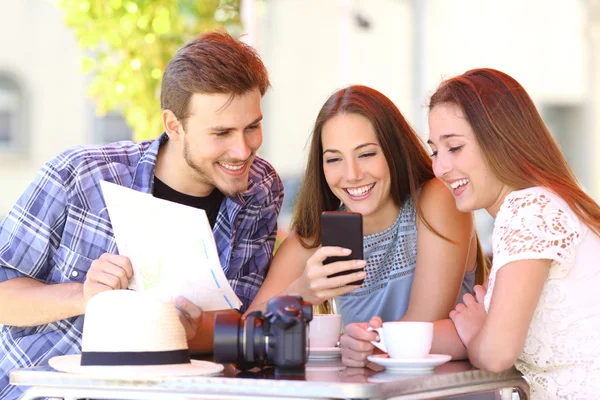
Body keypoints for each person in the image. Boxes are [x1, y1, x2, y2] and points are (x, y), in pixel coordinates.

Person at [0, 31, 283, 398]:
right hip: (50, 390)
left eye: (252, 127)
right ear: (173, 125)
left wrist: (181, 328)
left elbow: (235, 323)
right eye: (221, 133)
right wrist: (85, 297)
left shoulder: (260, 189)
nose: (242, 150)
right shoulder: (79, 175)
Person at [248, 85, 485, 335]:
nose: (352, 175)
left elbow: (421, 330)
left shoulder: (436, 199)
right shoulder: (316, 239)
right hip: (360, 374)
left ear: (393, 150)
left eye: (366, 154)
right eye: (334, 159)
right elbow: (244, 330)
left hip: (445, 374)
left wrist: (364, 345)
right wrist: (301, 293)